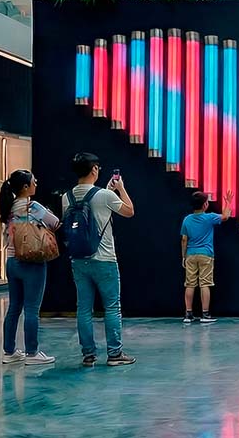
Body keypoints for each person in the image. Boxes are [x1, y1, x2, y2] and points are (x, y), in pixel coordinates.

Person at [63, 153, 137, 366]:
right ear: (94, 169)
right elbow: (129, 211)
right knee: (112, 306)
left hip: (78, 259)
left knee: (83, 308)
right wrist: (120, 189)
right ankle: (115, 354)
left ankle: (88, 354)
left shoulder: (66, 197)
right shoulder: (105, 195)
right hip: (104, 259)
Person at [0, 170, 60, 365]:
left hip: (11, 261)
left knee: (14, 307)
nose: (36, 183)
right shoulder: (33, 206)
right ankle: (32, 353)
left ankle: (9, 352)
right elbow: (55, 223)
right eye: (34, 181)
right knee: (32, 309)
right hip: (32, 262)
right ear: (25, 187)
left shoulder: (8, 207)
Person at [181, 190, 233, 324]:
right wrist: (227, 202)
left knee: (190, 284)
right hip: (206, 254)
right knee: (205, 283)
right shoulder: (209, 217)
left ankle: (188, 314)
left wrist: (184, 256)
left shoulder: (186, 219)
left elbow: (184, 240)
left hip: (191, 255)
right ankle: (205, 314)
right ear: (205, 205)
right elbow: (226, 216)